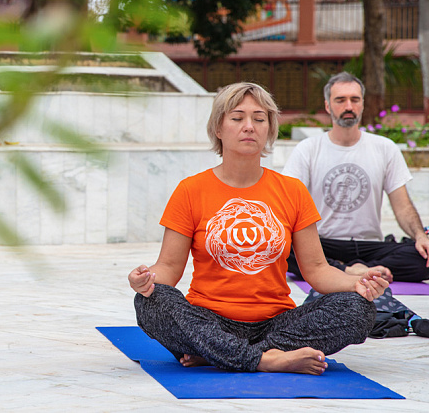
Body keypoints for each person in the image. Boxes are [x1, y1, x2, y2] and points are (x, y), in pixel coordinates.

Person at [129, 82, 387, 374]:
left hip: (276, 324)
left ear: (269, 129)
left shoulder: (292, 191)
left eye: (259, 119)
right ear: (218, 128)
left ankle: (219, 353)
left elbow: (316, 269)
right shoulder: (190, 190)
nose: (249, 126)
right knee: (150, 302)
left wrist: (357, 284)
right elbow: (169, 268)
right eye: (237, 118)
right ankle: (267, 359)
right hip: (208, 319)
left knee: (358, 308)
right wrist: (146, 278)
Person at [283, 72, 429, 283]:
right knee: (286, 249)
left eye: (354, 100)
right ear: (328, 106)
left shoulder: (385, 148)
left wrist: (422, 237)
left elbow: (402, 206)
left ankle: (356, 268)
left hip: (370, 245)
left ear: (362, 104)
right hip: (322, 242)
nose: (348, 106)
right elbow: (290, 202)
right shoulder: (308, 149)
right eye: (340, 100)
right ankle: (352, 271)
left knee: (426, 259)